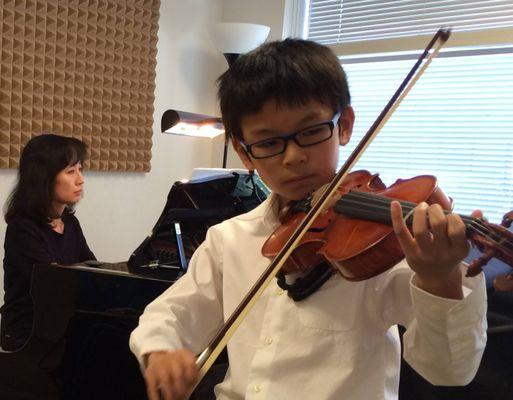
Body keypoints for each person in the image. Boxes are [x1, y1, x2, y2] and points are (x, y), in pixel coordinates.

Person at [130, 39, 487, 400]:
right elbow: (168, 315)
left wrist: (438, 278)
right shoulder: (230, 240)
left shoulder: (386, 243)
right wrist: (160, 351)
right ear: (243, 151)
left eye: (311, 131)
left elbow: (450, 369)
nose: (294, 157)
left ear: (344, 125)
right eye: (268, 142)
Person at [1, 134, 95, 351]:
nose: (80, 179)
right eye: (71, 171)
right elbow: (54, 285)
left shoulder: (70, 223)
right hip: (28, 336)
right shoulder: (22, 229)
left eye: (80, 169)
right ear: (43, 177)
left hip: (60, 328)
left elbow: (91, 268)